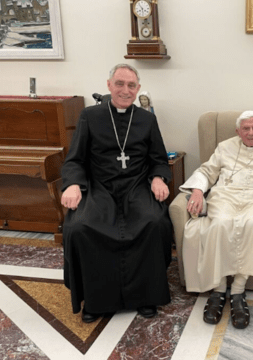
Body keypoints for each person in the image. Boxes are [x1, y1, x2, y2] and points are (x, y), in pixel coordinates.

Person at [60, 63, 172, 323]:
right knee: (81, 228)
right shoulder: (90, 115)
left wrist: (158, 178)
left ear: (138, 89)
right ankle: (96, 301)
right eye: (119, 84)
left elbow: (159, 158)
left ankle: (146, 296)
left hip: (136, 187)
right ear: (109, 85)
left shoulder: (147, 119)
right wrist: (73, 184)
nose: (125, 90)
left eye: (131, 85)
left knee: (154, 223)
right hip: (100, 188)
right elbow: (75, 159)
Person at [180, 110, 253, 329]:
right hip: (225, 196)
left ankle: (239, 292)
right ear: (237, 131)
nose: (250, 133)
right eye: (245, 128)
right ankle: (219, 290)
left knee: (252, 226)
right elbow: (207, 171)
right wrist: (196, 191)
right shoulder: (224, 147)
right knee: (220, 225)